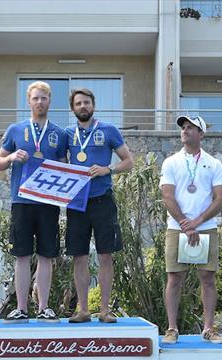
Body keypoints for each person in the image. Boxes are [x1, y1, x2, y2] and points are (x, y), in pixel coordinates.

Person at [0, 81, 68, 322]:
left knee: (47, 255)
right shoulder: (15, 130)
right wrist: (12, 157)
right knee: (22, 255)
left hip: (47, 202)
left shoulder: (59, 133)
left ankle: (44, 307)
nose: (39, 102)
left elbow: (64, 165)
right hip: (22, 201)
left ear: (49, 102)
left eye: (43, 98)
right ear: (28, 101)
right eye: (35, 98)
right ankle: (22, 308)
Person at [65, 88, 135, 323]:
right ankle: (83, 309)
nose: (83, 106)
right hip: (76, 202)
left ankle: (104, 309)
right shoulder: (67, 134)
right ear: (72, 108)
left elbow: (129, 161)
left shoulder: (108, 130)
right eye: (78, 103)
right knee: (79, 256)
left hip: (103, 199)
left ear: (93, 106)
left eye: (86, 102)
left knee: (106, 256)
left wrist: (108, 169)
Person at [160, 115, 222, 344]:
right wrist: (184, 224)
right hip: (176, 228)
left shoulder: (214, 163)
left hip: (205, 227)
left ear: (201, 134)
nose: (185, 131)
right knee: (174, 278)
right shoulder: (171, 162)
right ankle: (171, 328)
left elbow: (221, 199)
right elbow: (167, 196)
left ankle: (209, 328)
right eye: (183, 128)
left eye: (191, 128)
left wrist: (196, 222)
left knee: (207, 278)